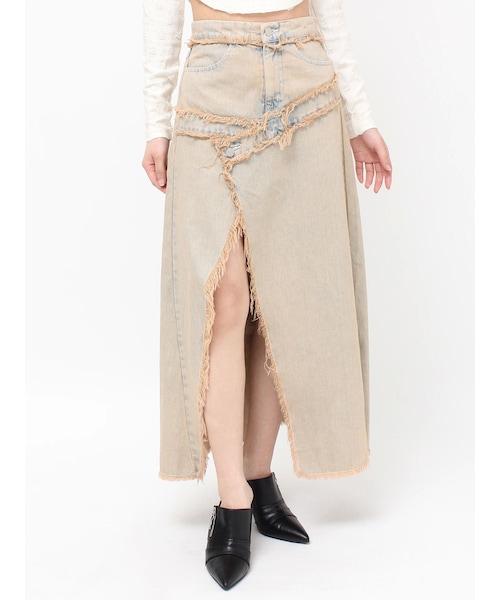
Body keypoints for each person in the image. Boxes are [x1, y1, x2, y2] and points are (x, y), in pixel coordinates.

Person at [142, 0, 392, 590]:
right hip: (212, 85)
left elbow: (328, 12)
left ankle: (256, 475)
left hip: (306, 82)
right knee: (224, 297)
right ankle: (231, 499)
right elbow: (161, 12)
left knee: (288, 294)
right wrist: (156, 123)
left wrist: (360, 117)